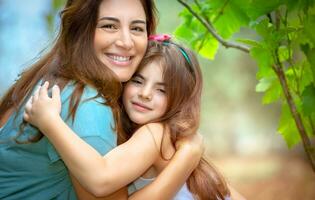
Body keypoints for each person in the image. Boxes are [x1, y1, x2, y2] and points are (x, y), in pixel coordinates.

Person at [0, 0, 203, 199]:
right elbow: (100, 180)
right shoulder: (89, 105)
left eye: (137, 28)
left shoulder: (53, 77)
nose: (126, 41)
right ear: (83, 29)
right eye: (109, 26)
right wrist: (187, 158)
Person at [24, 36, 235, 200]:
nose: (145, 94)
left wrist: (50, 122)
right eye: (138, 80)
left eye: (162, 90)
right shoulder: (169, 140)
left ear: (180, 100)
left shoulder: (156, 133)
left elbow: (101, 179)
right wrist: (189, 156)